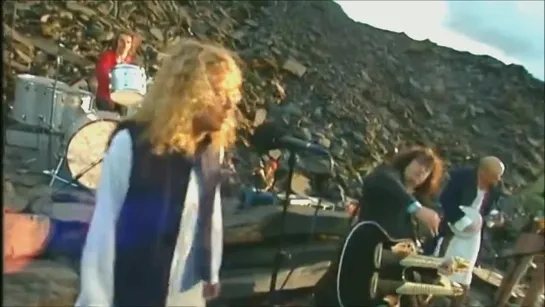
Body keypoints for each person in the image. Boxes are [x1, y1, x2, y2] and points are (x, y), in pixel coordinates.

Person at [75, 39, 242, 307]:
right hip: (136, 290)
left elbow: (211, 214)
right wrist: (95, 300)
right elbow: (104, 229)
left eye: (233, 96)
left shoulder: (212, 151)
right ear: (190, 92)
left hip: (186, 291)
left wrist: (211, 270)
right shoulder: (131, 145)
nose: (229, 105)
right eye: (220, 94)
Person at [314, 146, 444, 307]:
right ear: (408, 161)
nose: (421, 171)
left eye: (427, 170)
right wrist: (416, 208)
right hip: (357, 258)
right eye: (419, 163)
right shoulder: (387, 176)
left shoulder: (419, 203)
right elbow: (380, 181)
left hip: (381, 273)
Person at [430, 156, 506, 307]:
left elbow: (491, 210)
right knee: (443, 268)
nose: (497, 181)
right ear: (483, 172)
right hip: (452, 229)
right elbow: (446, 200)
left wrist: (494, 219)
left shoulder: (496, 188)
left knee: (464, 273)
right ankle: (428, 299)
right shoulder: (461, 178)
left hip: (473, 238)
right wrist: (463, 222)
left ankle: (457, 301)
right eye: (494, 177)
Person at [494, 215, 544, 307]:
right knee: (511, 277)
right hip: (525, 247)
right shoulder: (538, 220)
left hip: (528, 249)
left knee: (515, 278)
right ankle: (498, 301)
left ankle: (499, 302)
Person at [95, 32, 141, 115]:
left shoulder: (131, 63)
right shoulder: (107, 56)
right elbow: (102, 73)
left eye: (128, 42)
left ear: (131, 45)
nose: (124, 45)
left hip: (123, 100)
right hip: (106, 97)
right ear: (117, 42)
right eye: (121, 41)